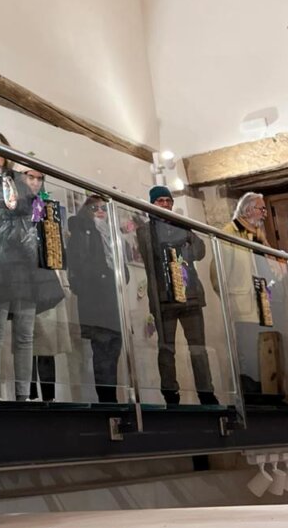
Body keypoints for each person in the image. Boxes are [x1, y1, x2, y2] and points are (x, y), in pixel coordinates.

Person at [0, 150, 56, 401]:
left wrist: (33, 235)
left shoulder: (18, 182)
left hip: (25, 266)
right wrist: (26, 236)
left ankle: (22, 397)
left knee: (25, 334)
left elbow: (35, 217)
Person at [136, 186, 218, 406]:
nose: (165, 205)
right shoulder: (144, 231)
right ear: (152, 204)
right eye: (160, 201)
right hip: (164, 297)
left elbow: (200, 251)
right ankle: (170, 395)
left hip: (190, 294)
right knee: (166, 348)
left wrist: (182, 249)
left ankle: (206, 393)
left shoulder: (184, 226)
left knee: (198, 347)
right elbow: (150, 259)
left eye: (167, 200)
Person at [23, 165, 74, 402]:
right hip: (24, 279)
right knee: (26, 341)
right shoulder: (16, 205)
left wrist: (62, 280)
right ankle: (28, 395)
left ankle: (49, 397)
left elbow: (56, 245)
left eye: (39, 178)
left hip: (47, 277)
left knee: (47, 344)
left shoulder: (47, 208)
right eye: (30, 177)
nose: (35, 182)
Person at [67, 195, 125, 403]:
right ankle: (107, 400)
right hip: (95, 300)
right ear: (87, 210)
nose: (100, 211)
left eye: (103, 208)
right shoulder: (81, 232)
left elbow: (122, 271)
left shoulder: (113, 235)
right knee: (101, 349)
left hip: (113, 299)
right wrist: (96, 279)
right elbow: (76, 266)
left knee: (114, 348)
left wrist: (118, 275)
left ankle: (111, 398)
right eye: (95, 208)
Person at [214, 192, 272, 395]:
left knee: (262, 351)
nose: (264, 214)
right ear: (248, 210)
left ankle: (265, 391)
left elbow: (269, 265)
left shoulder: (256, 234)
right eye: (261, 209)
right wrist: (227, 298)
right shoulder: (229, 232)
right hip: (240, 305)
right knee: (246, 354)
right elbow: (218, 272)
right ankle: (250, 395)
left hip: (262, 303)